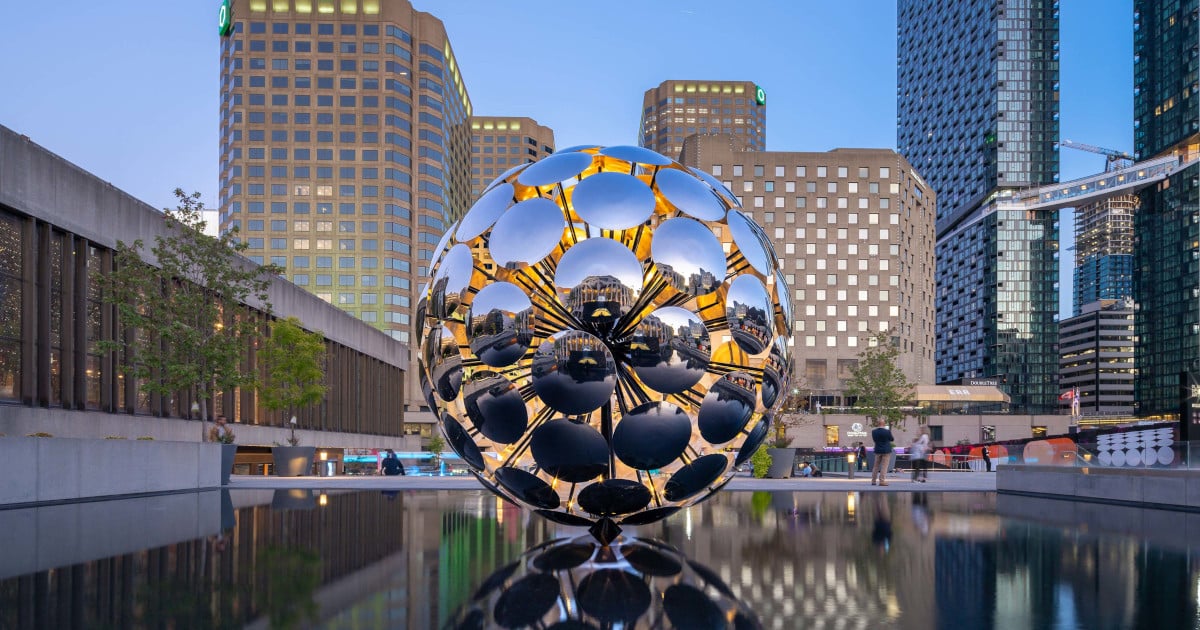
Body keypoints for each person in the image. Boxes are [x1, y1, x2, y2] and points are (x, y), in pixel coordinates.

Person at [870, 420, 894, 486]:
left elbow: (874, 440)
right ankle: (882, 481)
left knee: (875, 466)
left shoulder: (874, 432)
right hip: (886, 451)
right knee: (884, 466)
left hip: (877, 450)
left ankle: (873, 481)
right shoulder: (887, 431)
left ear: (878, 424)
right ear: (884, 424)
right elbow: (892, 439)